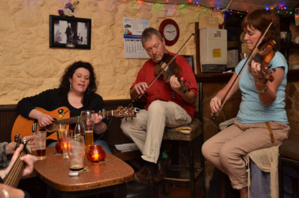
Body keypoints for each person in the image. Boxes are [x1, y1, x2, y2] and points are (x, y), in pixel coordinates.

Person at [202, 9, 290, 198]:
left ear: (265, 34)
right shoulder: (245, 63)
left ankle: (244, 192)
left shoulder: (276, 60)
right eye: (245, 33)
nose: (245, 38)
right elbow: (226, 91)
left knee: (227, 152)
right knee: (208, 149)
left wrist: (260, 81)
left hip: (270, 125)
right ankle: (248, 183)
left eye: (251, 33)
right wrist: (218, 98)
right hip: (242, 124)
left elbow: (268, 99)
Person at [120, 27, 198, 184]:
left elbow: (192, 98)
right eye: (149, 49)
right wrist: (136, 90)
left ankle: (149, 164)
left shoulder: (179, 61)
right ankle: (161, 157)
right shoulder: (146, 68)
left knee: (156, 105)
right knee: (127, 123)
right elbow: (134, 97)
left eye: (156, 46)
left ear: (163, 41)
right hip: (155, 113)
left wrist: (180, 90)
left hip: (181, 113)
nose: (154, 52)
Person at [17, 61, 111, 154]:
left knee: (103, 151)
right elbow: (23, 104)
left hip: (88, 143)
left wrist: (96, 124)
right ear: (70, 78)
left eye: (86, 78)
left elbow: (102, 130)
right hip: (57, 143)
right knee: (53, 155)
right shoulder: (54, 95)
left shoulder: (96, 99)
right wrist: (40, 116)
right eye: (79, 76)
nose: (83, 80)